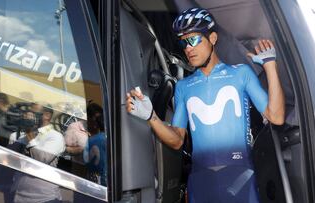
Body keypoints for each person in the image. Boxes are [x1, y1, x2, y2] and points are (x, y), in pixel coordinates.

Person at [126, 7, 285, 203]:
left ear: (213, 38)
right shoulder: (184, 86)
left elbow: (276, 116)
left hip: (239, 177)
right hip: (200, 181)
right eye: (183, 42)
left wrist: (270, 67)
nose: (188, 48)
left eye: (193, 40)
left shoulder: (240, 73)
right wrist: (152, 117)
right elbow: (177, 140)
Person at [11, 105, 65, 203]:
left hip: (44, 198)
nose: (29, 116)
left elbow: (42, 159)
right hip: (20, 196)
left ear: (47, 115)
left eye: (33, 113)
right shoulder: (25, 136)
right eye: (28, 113)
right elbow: (10, 156)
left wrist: (29, 134)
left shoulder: (55, 136)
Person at [83, 103, 107, 186]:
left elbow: (86, 161)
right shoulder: (112, 139)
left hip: (93, 182)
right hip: (105, 182)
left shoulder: (91, 140)